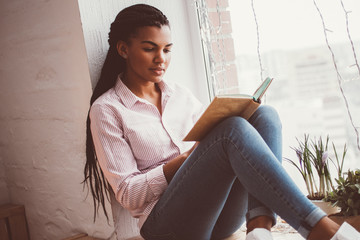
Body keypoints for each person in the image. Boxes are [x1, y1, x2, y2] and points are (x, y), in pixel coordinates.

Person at [83, 4, 360, 240]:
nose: (161, 59)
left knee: (264, 115)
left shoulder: (179, 95)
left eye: (167, 49)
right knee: (231, 131)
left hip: (218, 217)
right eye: (149, 49)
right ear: (123, 49)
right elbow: (130, 195)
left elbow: (214, 149)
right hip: (165, 225)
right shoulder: (107, 110)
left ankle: (259, 229)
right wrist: (185, 159)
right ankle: (319, 228)